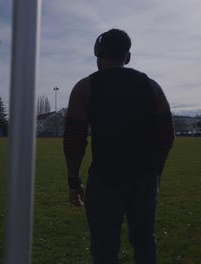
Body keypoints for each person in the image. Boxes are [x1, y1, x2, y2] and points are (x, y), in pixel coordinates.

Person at [63, 29, 175, 264]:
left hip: (104, 180)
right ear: (128, 56)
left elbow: (74, 141)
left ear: (98, 55)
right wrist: (156, 175)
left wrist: (74, 181)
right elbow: (166, 138)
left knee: (104, 250)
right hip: (144, 179)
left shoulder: (85, 87)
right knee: (145, 242)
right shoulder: (151, 86)